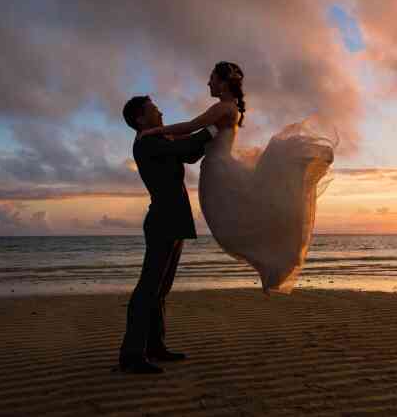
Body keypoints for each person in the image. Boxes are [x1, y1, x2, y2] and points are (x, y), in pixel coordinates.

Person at [138, 61, 335, 294]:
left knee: (235, 225)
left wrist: (157, 131)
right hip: (214, 167)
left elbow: (191, 126)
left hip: (218, 170)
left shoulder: (224, 108)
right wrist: (172, 140)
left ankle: (271, 260)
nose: (208, 82)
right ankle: (268, 258)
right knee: (235, 224)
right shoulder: (229, 108)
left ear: (222, 83)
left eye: (211, 78)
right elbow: (197, 139)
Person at [119, 95, 219, 374]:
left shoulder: (158, 140)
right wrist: (214, 127)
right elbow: (188, 146)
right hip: (163, 221)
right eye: (154, 109)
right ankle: (131, 355)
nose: (161, 112)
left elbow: (188, 153)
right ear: (140, 118)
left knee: (160, 291)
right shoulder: (148, 141)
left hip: (171, 221)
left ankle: (154, 347)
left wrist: (211, 132)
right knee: (148, 290)